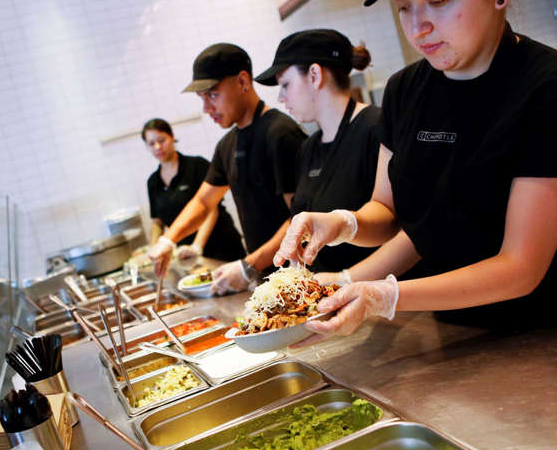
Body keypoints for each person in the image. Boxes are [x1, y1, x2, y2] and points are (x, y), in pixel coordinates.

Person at [273, 0, 557, 343]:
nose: (419, 27)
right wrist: (342, 224)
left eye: (439, 1)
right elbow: (389, 213)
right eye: (404, 7)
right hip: (457, 332)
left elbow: (520, 267)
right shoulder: (404, 91)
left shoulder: (552, 88)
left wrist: (386, 296)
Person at [148, 43, 306, 289]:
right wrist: (168, 240)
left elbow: (301, 218)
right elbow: (203, 202)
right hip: (269, 281)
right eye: (202, 99)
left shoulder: (280, 134)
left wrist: (249, 265)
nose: (206, 109)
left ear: (243, 81)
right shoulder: (227, 145)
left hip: (303, 275)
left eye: (212, 95)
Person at [245, 28, 381, 281]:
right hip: (327, 297)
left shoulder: (377, 127)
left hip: (384, 298)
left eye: (286, 84)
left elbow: (401, 228)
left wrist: (345, 280)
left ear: (315, 75)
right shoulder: (309, 148)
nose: (281, 97)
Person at [143, 118, 245, 262]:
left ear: (172, 137)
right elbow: (157, 222)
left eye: (162, 140)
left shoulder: (197, 165)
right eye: (151, 144)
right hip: (185, 255)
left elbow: (210, 207)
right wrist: (155, 248)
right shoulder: (153, 182)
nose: (158, 147)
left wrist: (197, 246)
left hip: (220, 246)